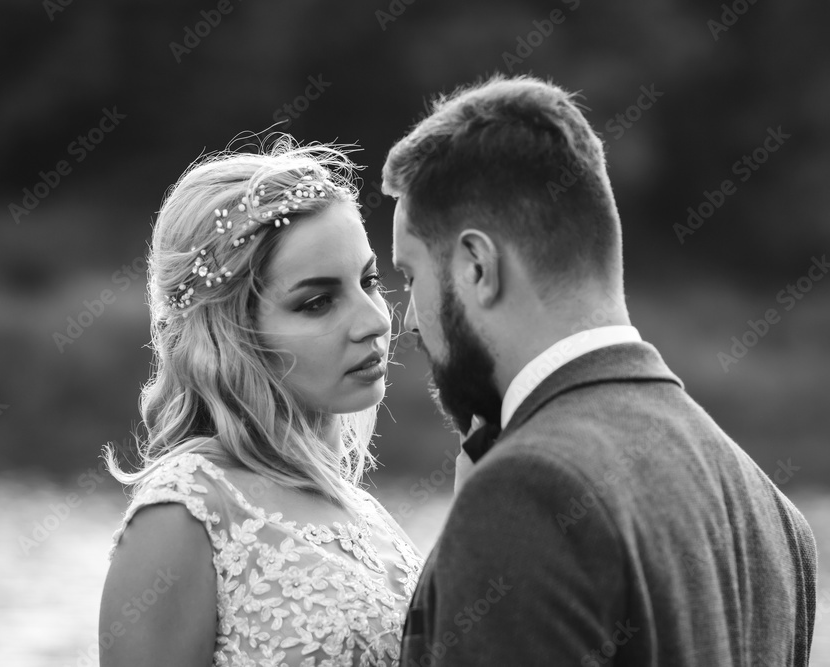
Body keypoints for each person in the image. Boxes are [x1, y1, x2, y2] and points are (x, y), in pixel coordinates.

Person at [384, 73, 819, 665]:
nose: (408, 321)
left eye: (411, 277)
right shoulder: (776, 517)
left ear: (477, 267)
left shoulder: (528, 492)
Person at [98, 136, 424, 666]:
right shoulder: (185, 514)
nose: (376, 320)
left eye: (369, 281)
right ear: (231, 330)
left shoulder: (362, 510)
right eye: (317, 302)